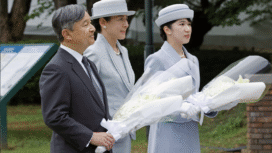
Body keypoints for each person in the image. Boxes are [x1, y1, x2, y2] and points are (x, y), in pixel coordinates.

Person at [39, 4, 115, 153]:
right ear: (67, 34)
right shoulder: (56, 68)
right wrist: (90, 136)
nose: (93, 28)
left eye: (90, 22)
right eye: (85, 24)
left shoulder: (88, 63)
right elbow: (54, 116)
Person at [145, 4, 217, 153]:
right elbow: (152, 100)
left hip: (190, 133)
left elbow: (195, 95)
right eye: (182, 24)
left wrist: (209, 105)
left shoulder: (193, 60)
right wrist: (181, 108)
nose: (187, 29)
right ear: (167, 29)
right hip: (167, 134)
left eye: (189, 24)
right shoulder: (156, 59)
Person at [83, 0, 135, 152]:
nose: (126, 24)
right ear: (103, 22)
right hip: (105, 136)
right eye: (120, 19)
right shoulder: (93, 52)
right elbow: (86, 96)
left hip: (124, 132)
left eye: (126, 19)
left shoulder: (123, 51)